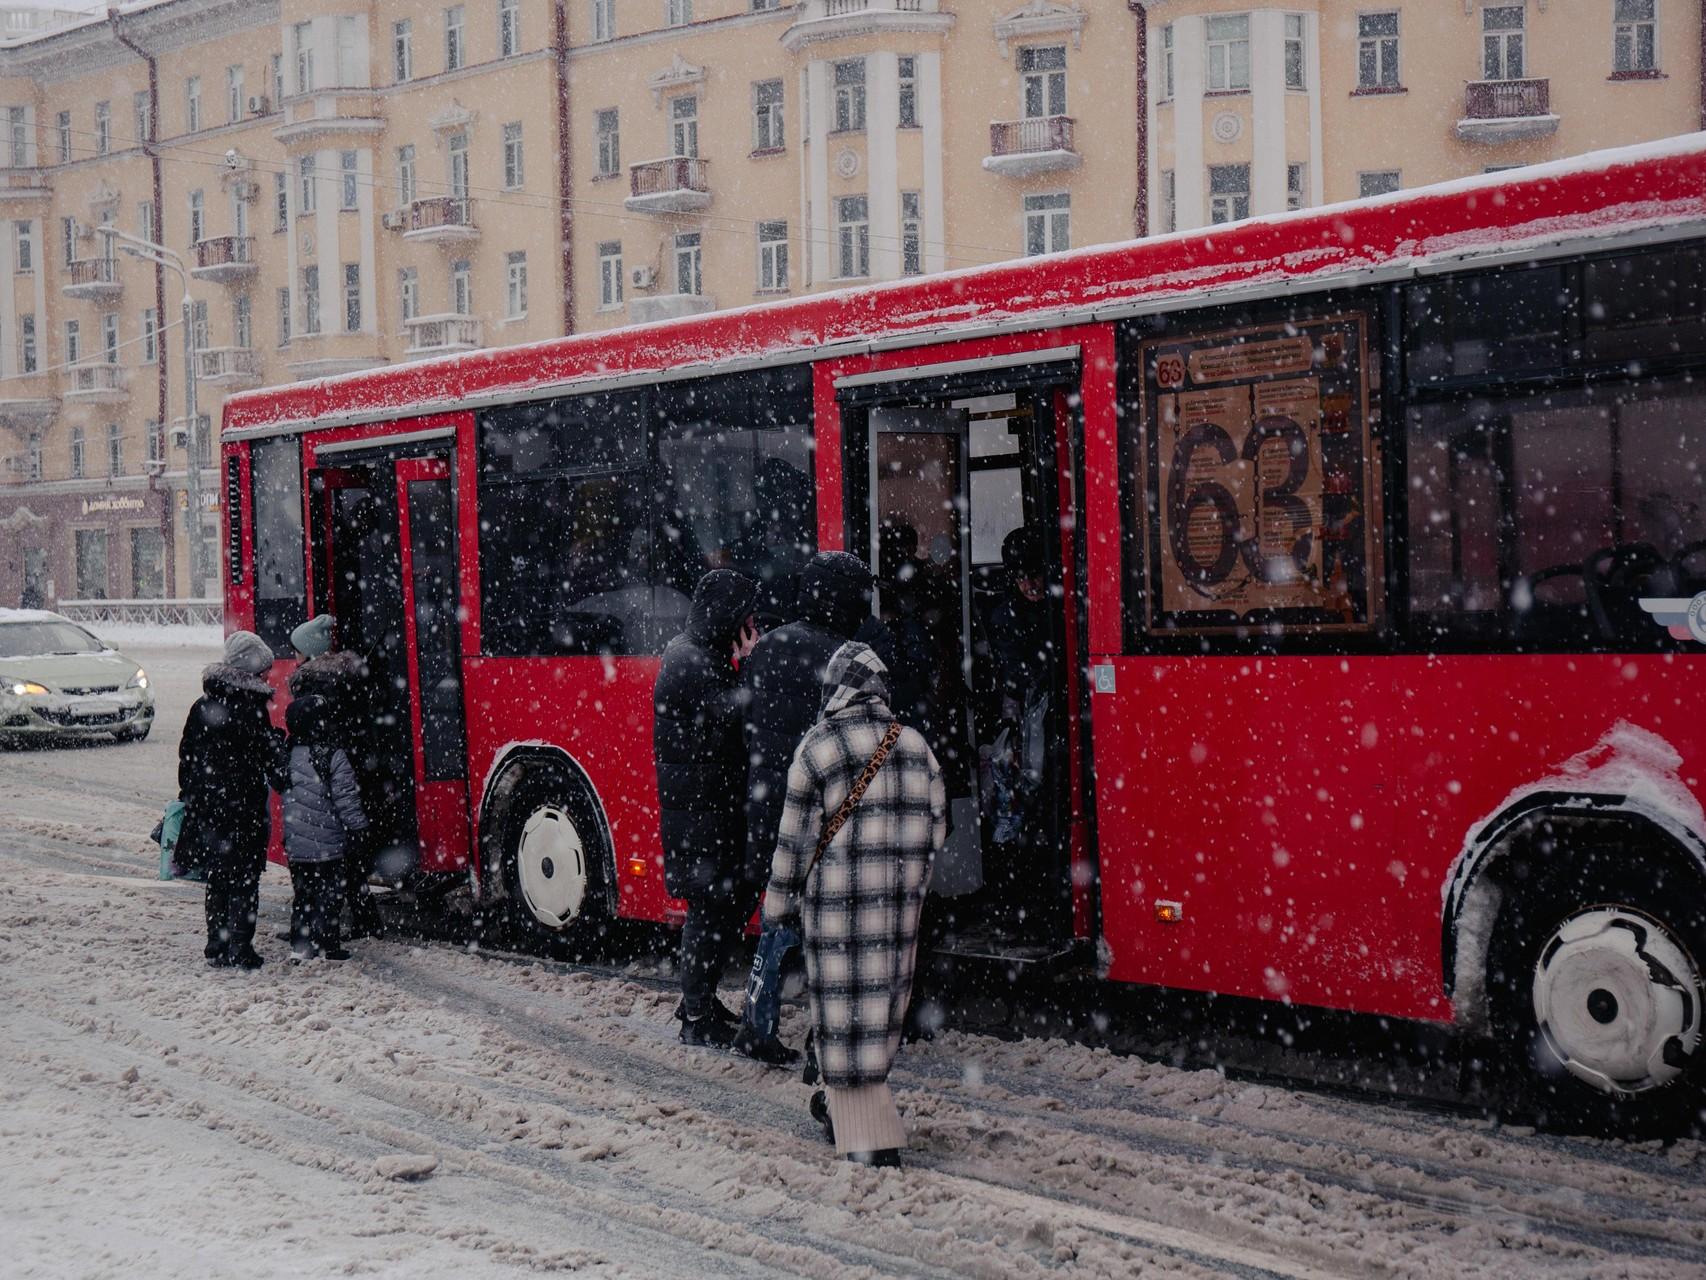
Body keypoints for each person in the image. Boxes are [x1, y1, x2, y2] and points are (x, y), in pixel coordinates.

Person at [764, 642, 946, 1167]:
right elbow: (936, 832)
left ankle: (859, 1131)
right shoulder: (916, 747)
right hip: (896, 912)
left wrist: (777, 911)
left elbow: (793, 844)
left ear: (835, 689)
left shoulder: (818, 748)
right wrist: (908, 885)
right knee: (882, 1010)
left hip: (835, 912)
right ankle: (850, 1105)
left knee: (841, 1013)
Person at [735, 552, 877, 1066]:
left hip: (769, 799)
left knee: (778, 914)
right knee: (826, 924)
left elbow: (749, 721)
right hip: (819, 806)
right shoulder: (844, 656)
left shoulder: (768, 645)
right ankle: (829, 1038)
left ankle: (757, 1019)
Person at [653, 568, 760, 1048]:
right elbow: (732, 715)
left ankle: (700, 999)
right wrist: (753, 664)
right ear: (726, 616)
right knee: (709, 911)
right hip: (701, 811)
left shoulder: (701, 652)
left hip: (709, 806)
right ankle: (696, 1016)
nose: (750, 624)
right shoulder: (690, 660)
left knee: (726, 904)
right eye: (744, 615)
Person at [177, 630, 289, 970]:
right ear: (251, 671)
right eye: (264, 670)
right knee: (244, 878)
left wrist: (193, 797)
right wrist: (277, 745)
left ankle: (217, 944)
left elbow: (188, 757)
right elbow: (267, 759)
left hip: (210, 808)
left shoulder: (203, 706)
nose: (268, 676)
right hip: (243, 808)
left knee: (219, 877)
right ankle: (241, 947)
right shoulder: (251, 709)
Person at [289, 613, 386, 940]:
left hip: (324, 774)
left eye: (297, 652)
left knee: (322, 858)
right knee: (349, 855)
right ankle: (365, 920)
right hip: (353, 767)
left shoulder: (310, 683)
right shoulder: (349, 678)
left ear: (309, 653)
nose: (294, 659)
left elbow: (306, 731)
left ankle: (318, 929)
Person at [281, 692, 369, 960]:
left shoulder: (287, 753)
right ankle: (328, 944)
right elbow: (346, 799)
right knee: (329, 897)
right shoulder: (333, 755)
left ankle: (301, 942)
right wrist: (358, 828)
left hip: (297, 843)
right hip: (328, 844)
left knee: (303, 895)